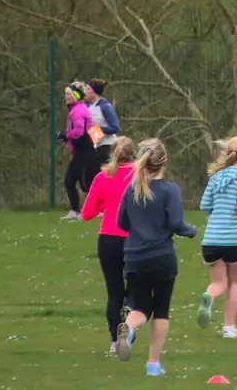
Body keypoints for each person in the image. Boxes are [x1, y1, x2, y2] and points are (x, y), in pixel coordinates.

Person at [115, 138, 198, 377]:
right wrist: (191, 231)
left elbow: (121, 222)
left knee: (139, 307)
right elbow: (175, 223)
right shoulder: (169, 190)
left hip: (134, 257)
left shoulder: (131, 190)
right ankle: (153, 364)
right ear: (164, 162)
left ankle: (129, 330)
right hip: (161, 257)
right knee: (161, 310)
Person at [81, 135, 137, 353]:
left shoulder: (103, 177)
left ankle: (115, 340)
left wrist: (105, 207)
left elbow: (86, 213)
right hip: (135, 239)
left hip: (108, 239)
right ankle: (129, 328)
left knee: (114, 293)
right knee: (134, 290)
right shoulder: (140, 176)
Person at [197, 136, 237, 339]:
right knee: (234, 283)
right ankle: (228, 326)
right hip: (235, 237)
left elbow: (205, 205)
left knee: (218, 283)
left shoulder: (216, 177)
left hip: (212, 238)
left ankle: (209, 295)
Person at [61, 83, 97, 220]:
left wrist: (66, 135)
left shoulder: (77, 111)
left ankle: (81, 210)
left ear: (76, 96)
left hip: (84, 151)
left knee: (80, 183)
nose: (66, 97)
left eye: (69, 94)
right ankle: (76, 210)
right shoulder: (82, 108)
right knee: (79, 182)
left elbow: (79, 131)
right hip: (85, 151)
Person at [85, 79, 122, 170]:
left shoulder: (105, 106)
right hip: (96, 147)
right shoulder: (89, 107)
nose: (85, 92)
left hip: (108, 147)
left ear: (94, 91)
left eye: (87, 89)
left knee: (107, 177)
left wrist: (95, 129)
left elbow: (115, 127)